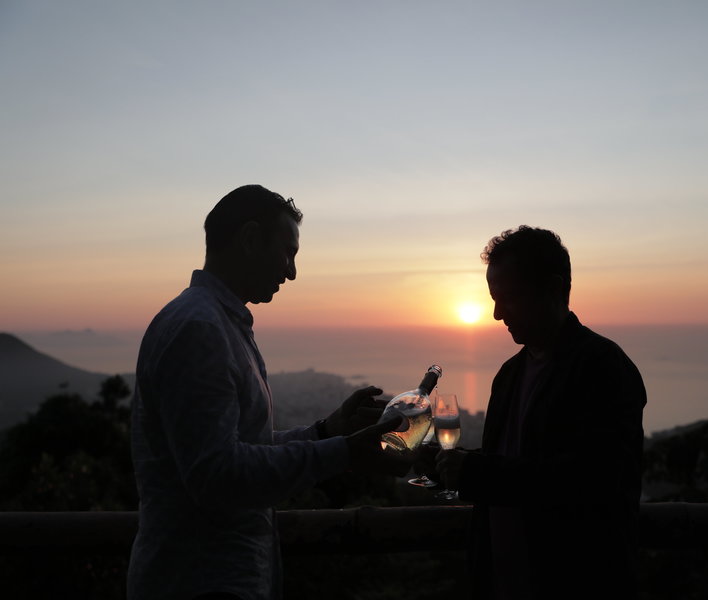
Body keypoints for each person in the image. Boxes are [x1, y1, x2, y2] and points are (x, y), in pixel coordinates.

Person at [127, 184, 402, 600]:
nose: (292, 272)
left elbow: (239, 448)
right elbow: (217, 475)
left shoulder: (220, 323)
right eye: (288, 253)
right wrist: (344, 453)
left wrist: (325, 432)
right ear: (251, 239)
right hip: (200, 582)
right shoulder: (200, 330)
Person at [436, 226, 647, 600]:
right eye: (494, 299)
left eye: (508, 298)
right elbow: (514, 460)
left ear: (552, 289)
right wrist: (446, 464)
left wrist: (476, 472)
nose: (497, 314)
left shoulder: (602, 367)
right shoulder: (509, 374)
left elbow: (593, 480)